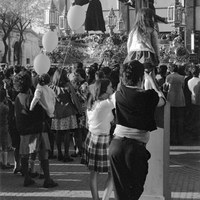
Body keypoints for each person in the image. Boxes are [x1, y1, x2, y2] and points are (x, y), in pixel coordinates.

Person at [109, 60, 166, 200]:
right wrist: (151, 80)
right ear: (141, 78)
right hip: (135, 149)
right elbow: (162, 100)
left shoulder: (117, 94)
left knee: (120, 191)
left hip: (116, 146)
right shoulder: (148, 96)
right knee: (135, 190)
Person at [13, 71, 58, 188]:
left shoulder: (18, 97)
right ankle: (47, 179)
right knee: (43, 154)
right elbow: (41, 114)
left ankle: (27, 177)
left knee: (25, 155)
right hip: (36, 131)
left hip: (23, 131)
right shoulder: (30, 98)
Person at [82, 79, 114, 200]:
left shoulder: (92, 103)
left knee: (93, 174)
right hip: (103, 140)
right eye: (110, 87)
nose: (112, 89)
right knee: (112, 173)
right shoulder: (105, 104)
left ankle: (95, 198)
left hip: (92, 138)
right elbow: (120, 95)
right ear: (104, 89)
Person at [50, 67, 82, 162]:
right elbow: (74, 99)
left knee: (58, 133)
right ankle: (66, 154)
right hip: (68, 111)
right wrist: (79, 110)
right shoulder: (68, 86)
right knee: (67, 133)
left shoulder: (52, 87)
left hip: (56, 112)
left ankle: (59, 153)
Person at [164, 63, 185, 145]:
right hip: (180, 98)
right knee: (179, 120)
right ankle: (180, 139)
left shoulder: (168, 77)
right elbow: (183, 87)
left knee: (172, 120)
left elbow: (166, 88)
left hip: (171, 98)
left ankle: (172, 139)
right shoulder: (181, 77)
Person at [0, 88, 13, 169]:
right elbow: (9, 113)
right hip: (4, 126)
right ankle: (4, 163)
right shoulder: (5, 107)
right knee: (4, 145)